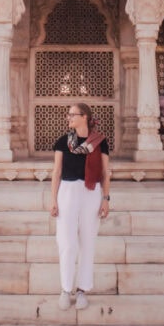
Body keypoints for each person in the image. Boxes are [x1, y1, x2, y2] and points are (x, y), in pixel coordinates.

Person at [50, 102, 110, 311]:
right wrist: (53, 200)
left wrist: (105, 199)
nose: (69, 118)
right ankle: (66, 289)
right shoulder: (62, 142)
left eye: (72, 114)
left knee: (87, 242)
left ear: (84, 116)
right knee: (67, 243)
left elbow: (105, 173)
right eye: (68, 115)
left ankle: (82, 290)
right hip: (67, 192)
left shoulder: (99, 142)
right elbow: (56, 172)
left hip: (91, 192)